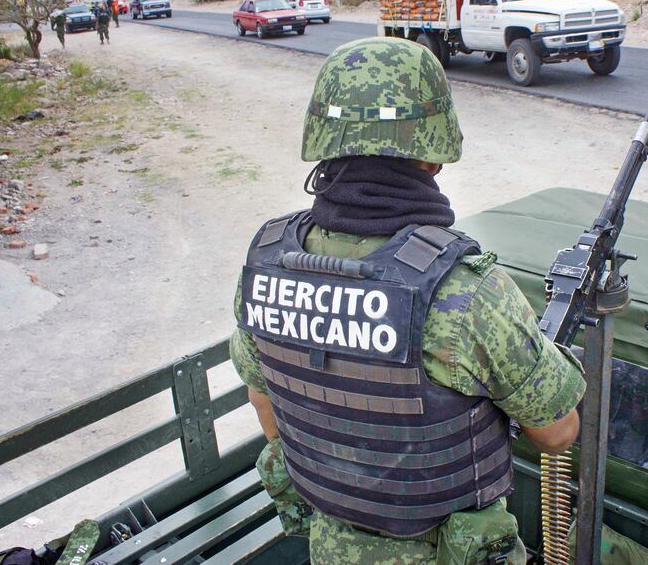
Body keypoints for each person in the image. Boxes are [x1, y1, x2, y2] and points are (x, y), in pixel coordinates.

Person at [229, 37, 586, 564]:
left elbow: (266, 403)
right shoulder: (466, 290)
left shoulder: (265, 260)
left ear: (326, 139)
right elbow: (559, 433)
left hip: (330, 549)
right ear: (433, 150)